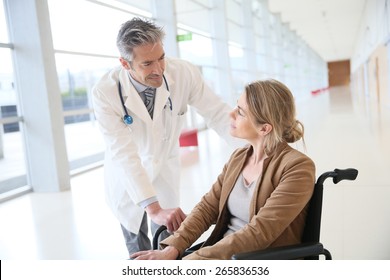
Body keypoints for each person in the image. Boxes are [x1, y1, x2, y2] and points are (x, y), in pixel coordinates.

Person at [92, 17, 243, 256]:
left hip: (164, 167)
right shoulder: (105, 92)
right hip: (127, 176)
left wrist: (254, 150)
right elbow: (123, 152)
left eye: (161, 57)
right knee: (137, 244)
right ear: (125, 63)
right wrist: (151, 207)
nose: (159, 69)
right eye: (147, 63)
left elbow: (217, 114)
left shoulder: (182, 73)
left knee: (167, 241)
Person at [130, 79, 316, 260]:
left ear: (264, 128)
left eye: (240, 112)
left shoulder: (297, 167)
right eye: (236, 106)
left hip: (256, 259)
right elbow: (207, 208)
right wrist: (173, 248)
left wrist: (193, 262)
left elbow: (259, 233)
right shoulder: (239, 158)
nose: (231, 114)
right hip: (221, 255)